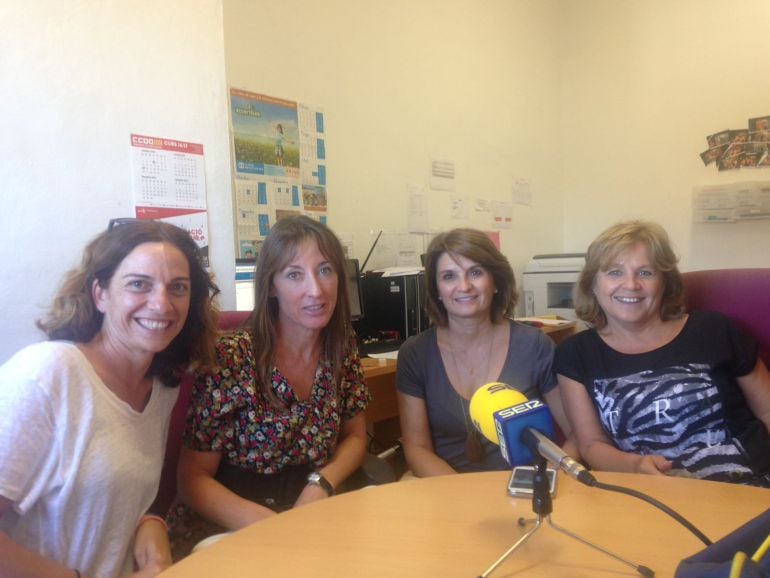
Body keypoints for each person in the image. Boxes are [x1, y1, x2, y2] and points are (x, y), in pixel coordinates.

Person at [0, 219, 220, 578]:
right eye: (139, 284)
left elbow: (119, 494)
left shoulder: (163, 387)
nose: (162, 304)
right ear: (100, 294)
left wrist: (151, 527)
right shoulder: (46, 374)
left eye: (177, 287)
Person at [170, 215, 370, 557]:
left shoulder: (341, 346)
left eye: (325, 270)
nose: (316, 290)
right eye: (295, 275)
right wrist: (274, 525)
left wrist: (321, 482)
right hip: (233, 524)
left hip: (310, 509)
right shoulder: (230, 357)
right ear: (271, 285)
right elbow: (192, 480)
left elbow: (356, 436)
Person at [555, 220, 770, 486]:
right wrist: (635, 466)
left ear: (665, 283)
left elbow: (767, 410)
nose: (631, 284)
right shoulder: (575, 353)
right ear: (593, 285)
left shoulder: (714, 329)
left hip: (749, 486)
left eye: (646, 273)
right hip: (653, 497)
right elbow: (591, 445)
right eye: (614, 272)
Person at [396, 228, 574, 477]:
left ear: (496, 281)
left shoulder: (535, 345)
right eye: (449, 276)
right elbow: (417, 449)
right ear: (436, 288)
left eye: (476, 272)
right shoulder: (416, 354)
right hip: (448, 490)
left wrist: (549, 478)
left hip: (525, 487)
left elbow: (574, 435)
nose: (464, 286)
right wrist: (466, 500)